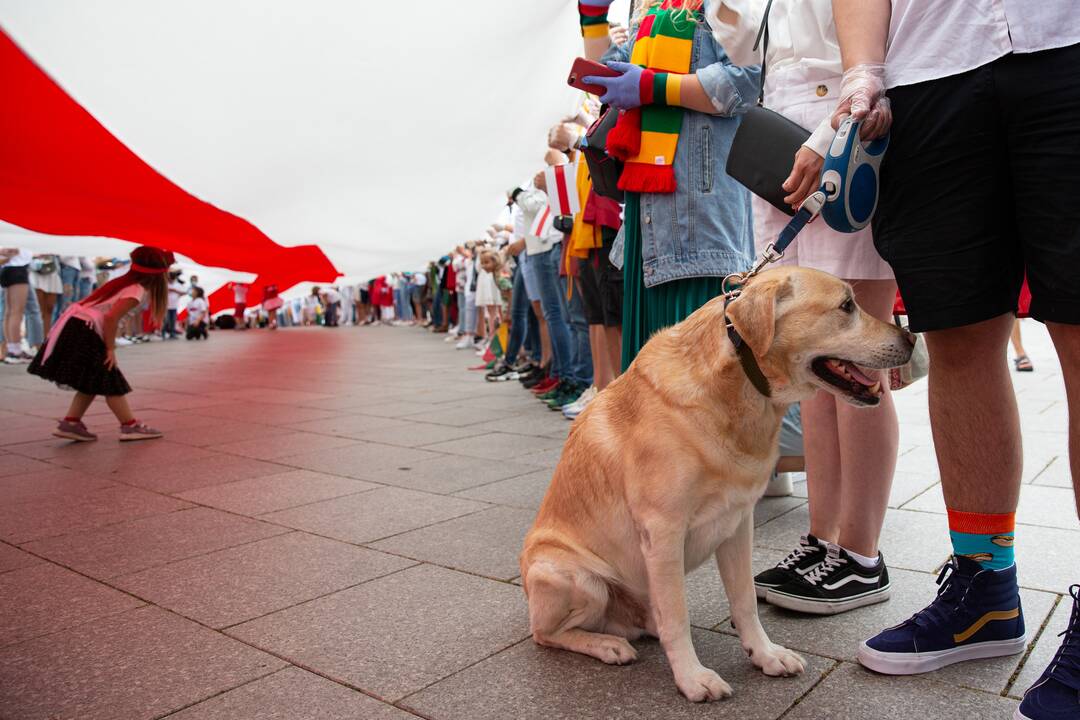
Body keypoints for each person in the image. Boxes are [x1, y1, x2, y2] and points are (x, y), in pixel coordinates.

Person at [829, 2, 1080, 715]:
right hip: (929, 67)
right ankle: (985, 588)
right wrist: (862, 71)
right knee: (959, 334)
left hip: (1066, 42)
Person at [708, 0, 897, 614]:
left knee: (858, 349)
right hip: (780, 134)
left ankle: (861, 553)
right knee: (808, 360)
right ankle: (823, 536)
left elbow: (872, 47)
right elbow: (738, 49)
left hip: (843, 128)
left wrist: (828, 136)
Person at [26, 245, 170, 442]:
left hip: (77, 326)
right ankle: (129, 426)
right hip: (85, 329)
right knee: (110, 378)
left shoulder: (122, 282)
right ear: (158, 275)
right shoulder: (136, 290)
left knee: (91, 379)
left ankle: (71, 422)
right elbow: (111, 318)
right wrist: (110, 348)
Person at [1, 247, 34, 364]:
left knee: (9, 312)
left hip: (8, 268)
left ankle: (13, 349)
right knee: (16, 312)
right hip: (17, 269)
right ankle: (15, 352)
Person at [476, 248, 503, 347]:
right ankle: (492, 340)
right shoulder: (488, 275)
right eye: (482, 263)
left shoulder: (500, 277)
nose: (483, 266)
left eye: (486, 262)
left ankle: (496, 342)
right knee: (491, 314)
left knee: (497, 315)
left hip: (503, 308)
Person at [163, 269, 184, 339]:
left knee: (173, 320)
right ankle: (163, 332)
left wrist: (175, 291)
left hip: (174, 306)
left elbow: (184, 292)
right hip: (166, 306)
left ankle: (172, 333)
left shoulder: (177, 285)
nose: (170, 280)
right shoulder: (165, 284)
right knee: (166, 320)